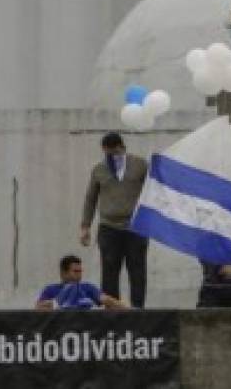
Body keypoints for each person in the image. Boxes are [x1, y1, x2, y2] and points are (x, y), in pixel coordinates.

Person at [80, 132, 149, 308]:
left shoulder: (141, 165)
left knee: (137, 271)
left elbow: (153, 190)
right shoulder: (99, 169)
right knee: (109, 272)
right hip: (109, 228)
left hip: (136, 227)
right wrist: (85, 226)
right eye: (106, 153)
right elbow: (91, 198)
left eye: (113, 153)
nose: (110, 157)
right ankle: (112, 311)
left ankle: (138, 310)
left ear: (121, 147)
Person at [37, 255, 126, 310]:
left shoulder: (87, 287)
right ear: (63, 273)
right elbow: (38, 308)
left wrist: (130, 310)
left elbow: (106, 300)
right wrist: (57, 302)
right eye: (75, 271)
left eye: (80, 271)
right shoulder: (51, 289)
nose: (79, 275)